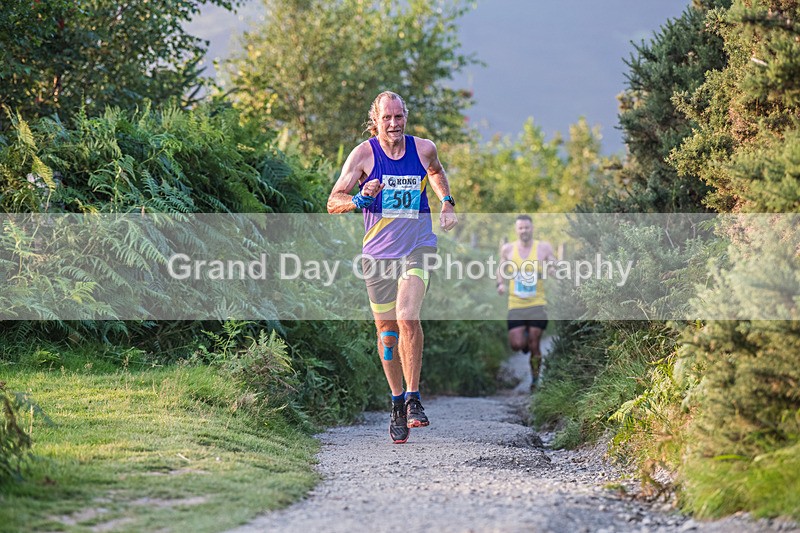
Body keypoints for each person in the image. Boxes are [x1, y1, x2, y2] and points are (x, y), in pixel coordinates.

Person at [327, 91, 458, 444]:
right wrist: (359, 198)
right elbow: (333, 201)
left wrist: (446, 202)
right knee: (387, 334)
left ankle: (414, 398)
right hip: (378, 255)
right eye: (387, 118)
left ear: (405, 117)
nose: (394, 123)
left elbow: (436, 171)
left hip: (418, 246)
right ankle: (397, 402)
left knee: (407, 316)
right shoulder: (363, 155)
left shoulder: (424, 149)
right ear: (376, 120)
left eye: (399, 116)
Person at [496, 215, 556, 390]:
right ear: (516, 230)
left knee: (535, 342)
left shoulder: (543, 248)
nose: (524, 231)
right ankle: (525, 340)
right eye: (521, 228)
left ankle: (535, 380)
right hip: (516, 303)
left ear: (532, 228)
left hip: (537, 303)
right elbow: (501, 269)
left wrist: (553, 268)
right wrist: (500, 284)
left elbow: (553, 263)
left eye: (527, 227)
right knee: (517, 345)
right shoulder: (508, 249)